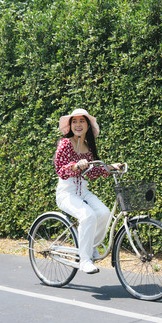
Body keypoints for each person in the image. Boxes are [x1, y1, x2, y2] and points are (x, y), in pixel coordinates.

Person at [55, 108, 121, 274]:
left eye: (82, 121)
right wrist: (75, 166)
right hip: (66, 193)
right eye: (74, 121)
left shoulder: (87, 148)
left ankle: (90, 246)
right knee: (87, 215)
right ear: (70, 125)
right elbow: (60, 170)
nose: (78, 124)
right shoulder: (65, 143)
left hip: (82, 192)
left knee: (104, 213)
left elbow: (91, 173)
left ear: (88, 125)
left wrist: (110, 168)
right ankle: (84, 260)